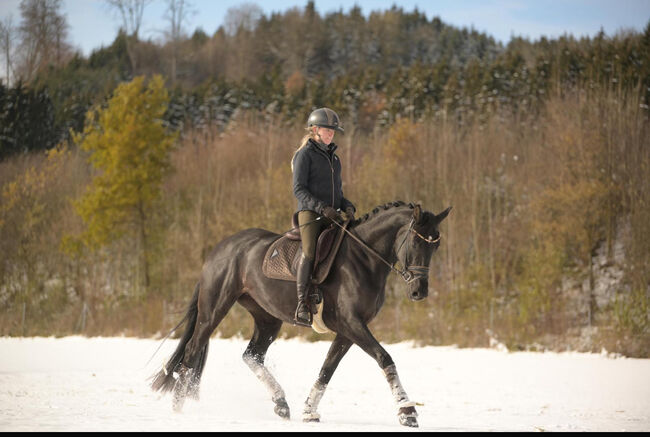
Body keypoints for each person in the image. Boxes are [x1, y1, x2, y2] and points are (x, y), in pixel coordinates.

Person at [291, 107, 356, 326]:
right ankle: (301, 303)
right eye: (328, 131)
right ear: (315, 130)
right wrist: (321, 207)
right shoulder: (304, 155)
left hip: (332, 213)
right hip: (310, 213)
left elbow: (337, 192)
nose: (331, 134)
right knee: (310, 252)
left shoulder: (335, 159)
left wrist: (346, 205)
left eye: (333, 131)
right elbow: (299, 189)